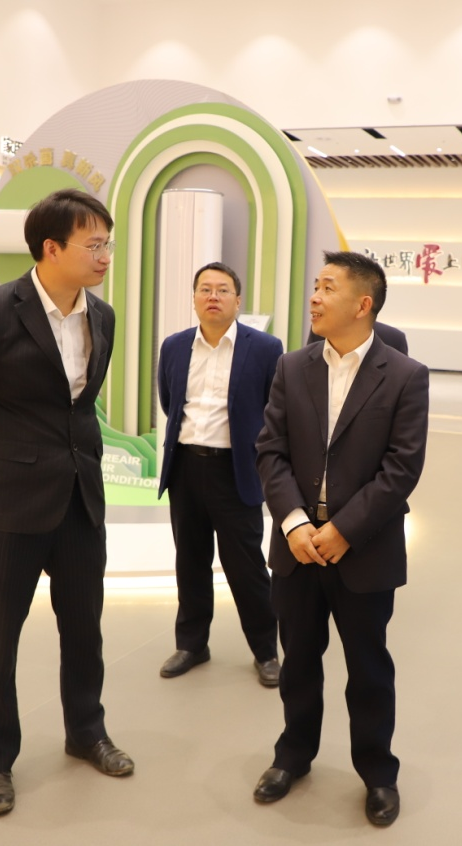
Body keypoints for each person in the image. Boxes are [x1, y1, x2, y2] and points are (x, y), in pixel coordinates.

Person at [0, 188, 132, 816]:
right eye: (93, 244)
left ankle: (87, 732)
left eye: (107, 243)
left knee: (85, 627)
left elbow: (80, 405)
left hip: (80, 498)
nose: (105, 255)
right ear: (51, 248)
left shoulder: (102, 316)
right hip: (10, 505)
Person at [251, 250, 429, 827]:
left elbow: (401, 468)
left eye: (328, 287)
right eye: (315, 286)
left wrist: (344, 530)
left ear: (363, 304)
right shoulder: (292, 367)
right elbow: (270, 450)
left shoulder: (405, 375)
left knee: (369, 668)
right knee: (299, 661)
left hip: (364, 550)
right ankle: (293, 755)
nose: (315, 297)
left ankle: (378, 772)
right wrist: (295, 522)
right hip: (298, 549)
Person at [156, 262, 284, 687]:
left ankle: (266, 651)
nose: (213, 296)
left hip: (235, 470)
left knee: (246, 567)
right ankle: (192, 644)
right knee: (190, 561)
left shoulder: (265, 348)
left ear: (237, 300)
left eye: (223, 290)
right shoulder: (174, 346)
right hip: (185, 468)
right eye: (205, 289)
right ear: (194, 298)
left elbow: (274, 409)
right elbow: (170, 401)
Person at [308, 320, 408, 354]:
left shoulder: (392, 339)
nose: (315, 298)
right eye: (316, 288)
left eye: (328, 289)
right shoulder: (320, 333)